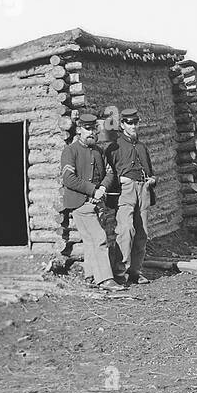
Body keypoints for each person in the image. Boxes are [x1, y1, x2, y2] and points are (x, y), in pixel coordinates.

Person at [61, 112, 123, 291]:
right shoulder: (70, 151)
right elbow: (68, 178)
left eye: (93, 129)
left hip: (97, 201)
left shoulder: (98, 151)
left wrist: (103, 187)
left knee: (89, 240)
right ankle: (106, 279)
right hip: (80, 202)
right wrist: (93, 190)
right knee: (99, 238)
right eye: (87, 129)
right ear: (79, 130)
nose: (91, 133)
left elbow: (110, 172)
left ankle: (90, 276)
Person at [106, 106, 156, 283]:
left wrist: (151, 180)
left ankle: (135, 272)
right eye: (129, 123)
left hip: (143, 190)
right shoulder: (114, 147)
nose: (133, 126)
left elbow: (150, 170)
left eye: (136, 122)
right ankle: (120, 272)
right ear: (122, 125)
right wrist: (120, 181)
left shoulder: (142, 147)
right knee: (126, 229)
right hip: (125, 193)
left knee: (142, 233)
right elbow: (108, 173)